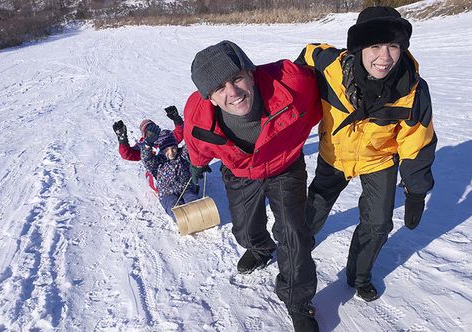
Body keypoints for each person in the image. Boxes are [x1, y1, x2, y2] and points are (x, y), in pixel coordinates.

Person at [294, 6, 437, 302]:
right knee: (314, 208)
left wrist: (416, 192)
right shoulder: (330, 66)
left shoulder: (412, 88)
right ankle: (296, 247)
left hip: (379, 159)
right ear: (359, 46)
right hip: (334, 154)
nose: (384, 58)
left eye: (393, 46)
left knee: (379, 223)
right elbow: (307, 54)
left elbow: (417, 141)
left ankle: (358, 275)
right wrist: (297, 89)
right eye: (375, 46)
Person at [183, 40, 323, 331]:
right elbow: (196, 143)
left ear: (250, 71)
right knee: (244, 229)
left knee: (294, 234)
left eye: (236, 78)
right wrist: (196, 166)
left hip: (285, 166)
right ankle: (260, 249)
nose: (232, 93)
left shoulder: (292, 84)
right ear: (209, 97)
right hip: (240, 172)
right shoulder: (197, 115)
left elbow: (329, 79)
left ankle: (297, 301)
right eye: (220, 88)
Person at [112, 106, 185, 191]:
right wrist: (123, 140)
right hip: (159, 175)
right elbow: (127, 154)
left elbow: (179, 135)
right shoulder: (143, 146)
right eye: (149, 133)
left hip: (175, 169)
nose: (152, 135)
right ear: (144, 135)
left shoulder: (164, 138)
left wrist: (177, 121)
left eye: (153, 130)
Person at [141, 129, 199, 219]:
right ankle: (183, 220)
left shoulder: (182, 155)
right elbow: (147, 159)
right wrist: (147, 145)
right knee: (174, 206)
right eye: (166, 150)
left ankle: (199, 216)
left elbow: (191, 144)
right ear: (161, 150)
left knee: (193, 201)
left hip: (186, 189)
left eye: (173, 148)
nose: (171, 152)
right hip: (167, 193)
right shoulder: (157, 162)